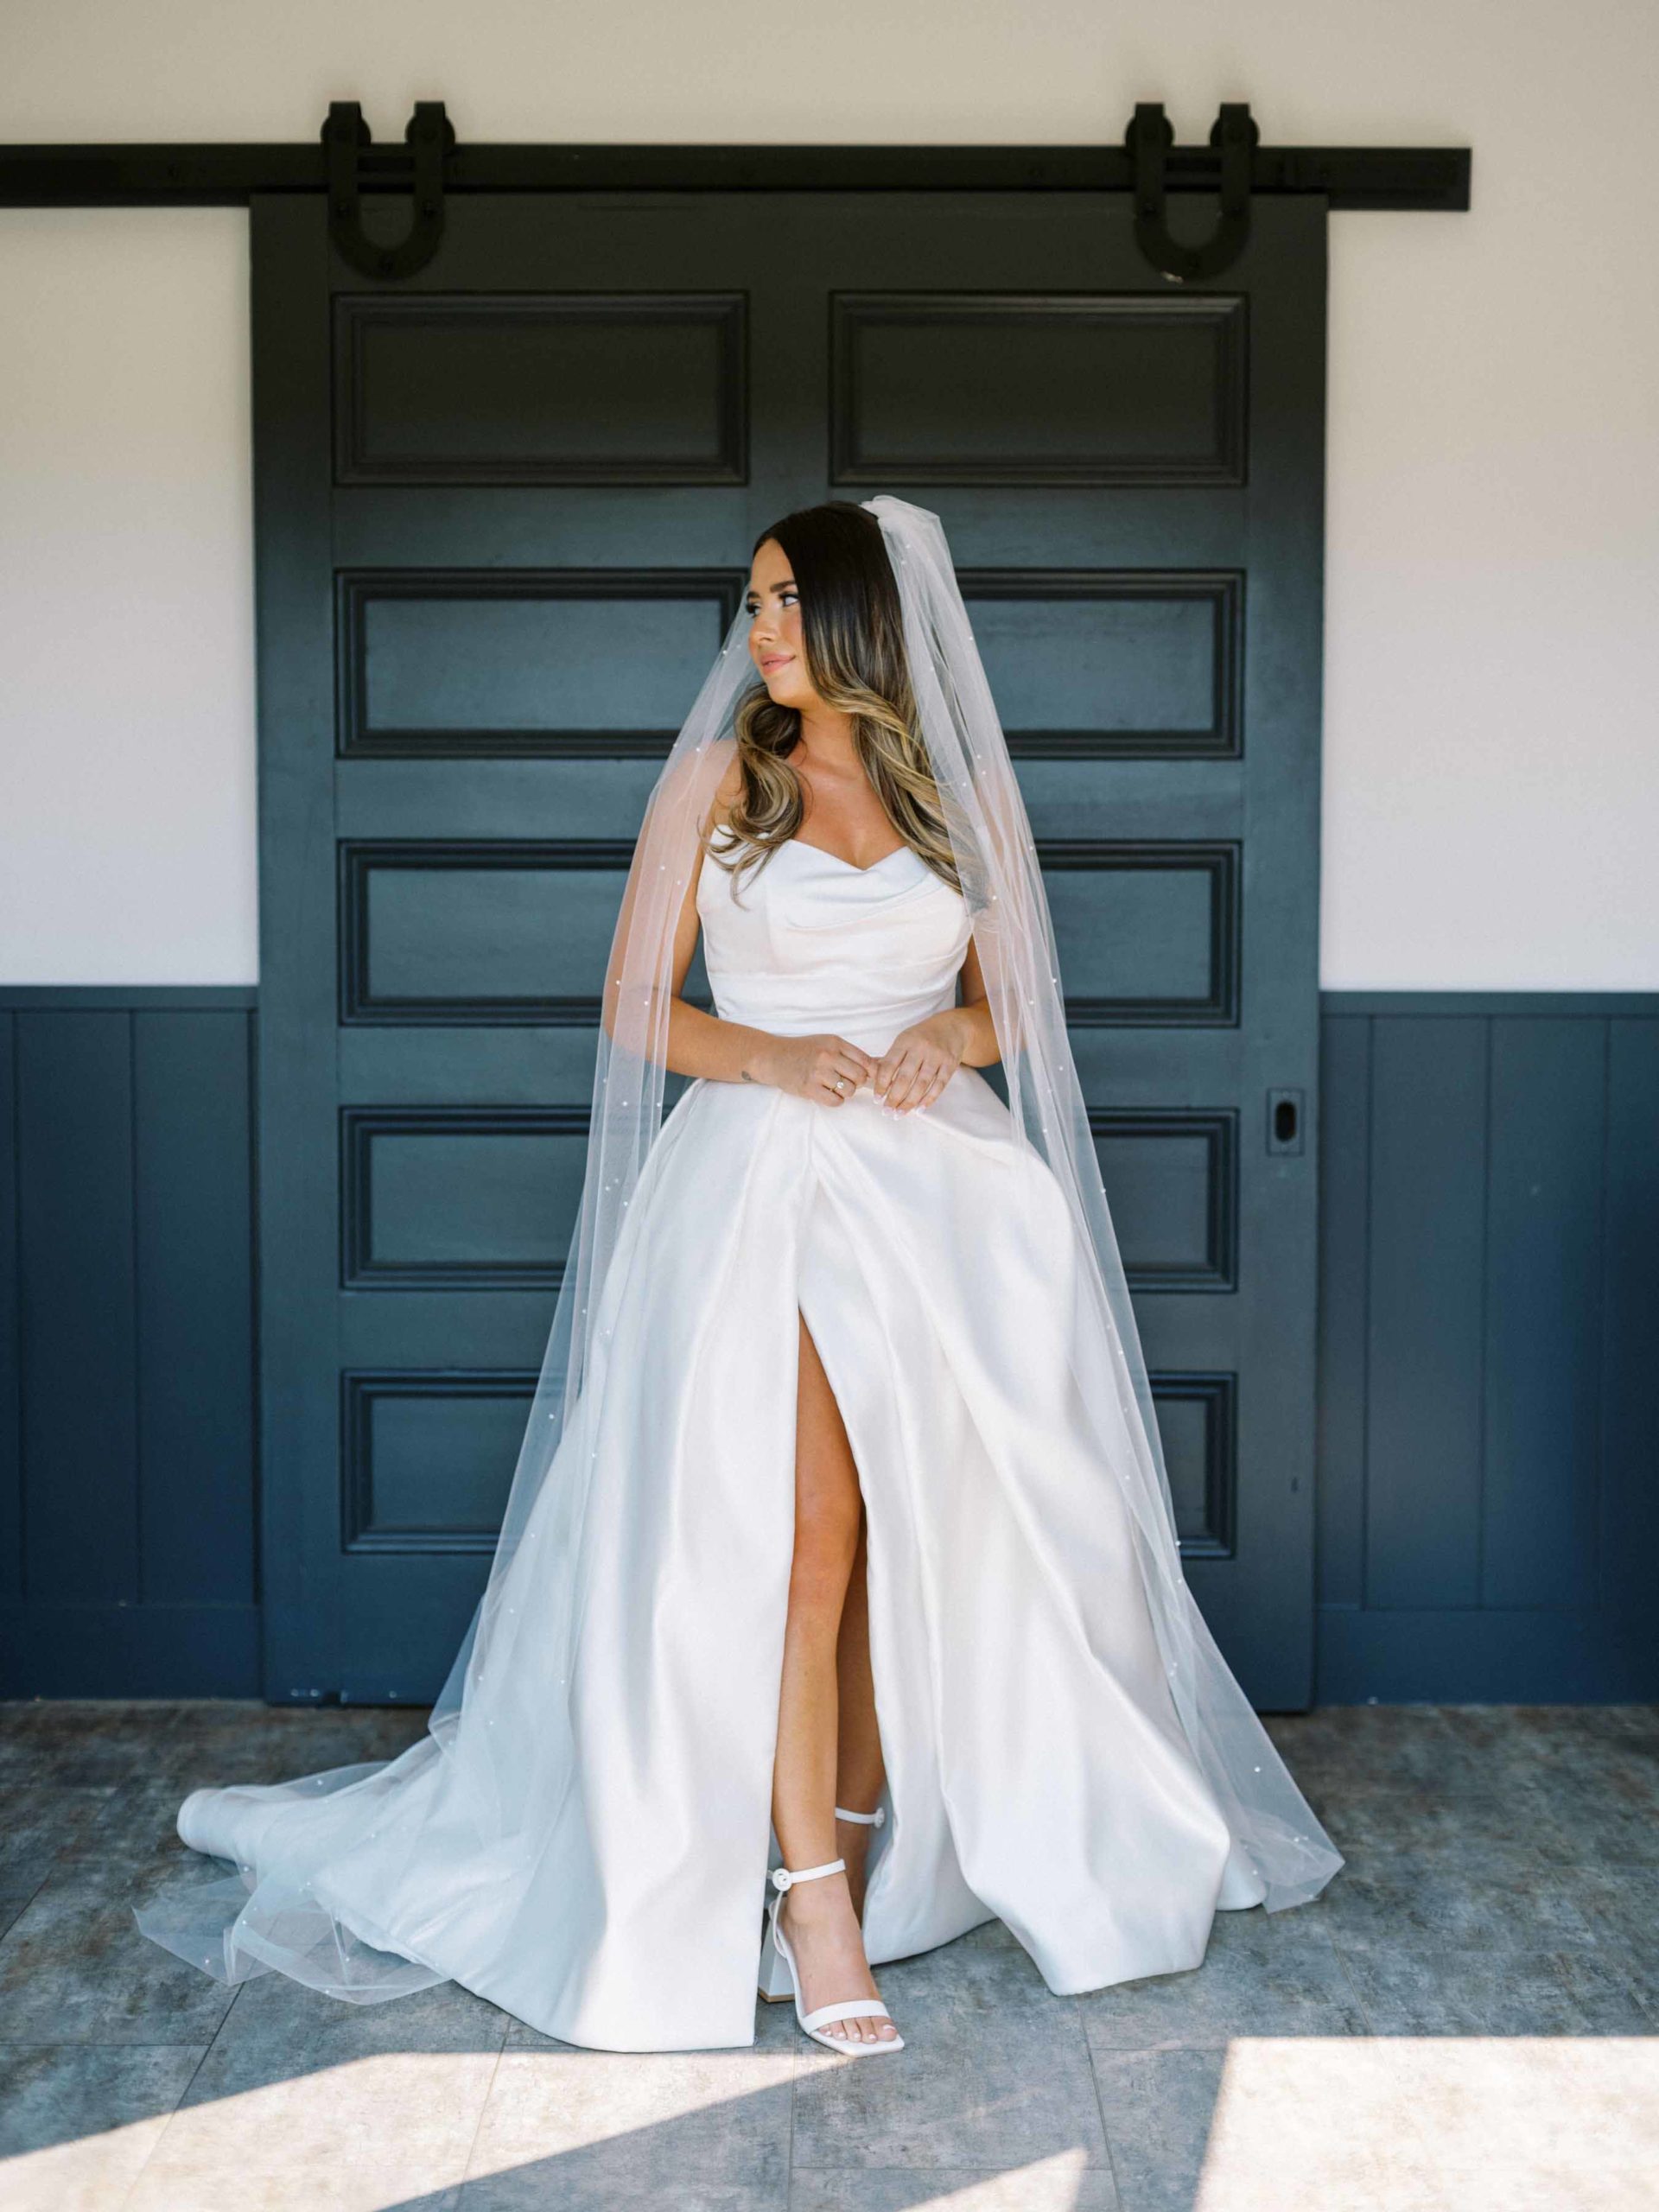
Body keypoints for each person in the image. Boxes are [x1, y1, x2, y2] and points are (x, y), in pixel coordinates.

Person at [136, 495, 1343, 2056]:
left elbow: (1015, 1016)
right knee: (804, 1527)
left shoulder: (957, 796)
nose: (758, 632)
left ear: (857, 618)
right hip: (766, 1182)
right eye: (753, 604)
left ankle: (854, 1806)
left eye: (782, 604)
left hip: (942, 1200)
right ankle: (811, 1892)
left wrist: (937, 1040)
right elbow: (637, 1005)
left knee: (927, 1527)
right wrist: (770, 1049)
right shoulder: (724, 781)